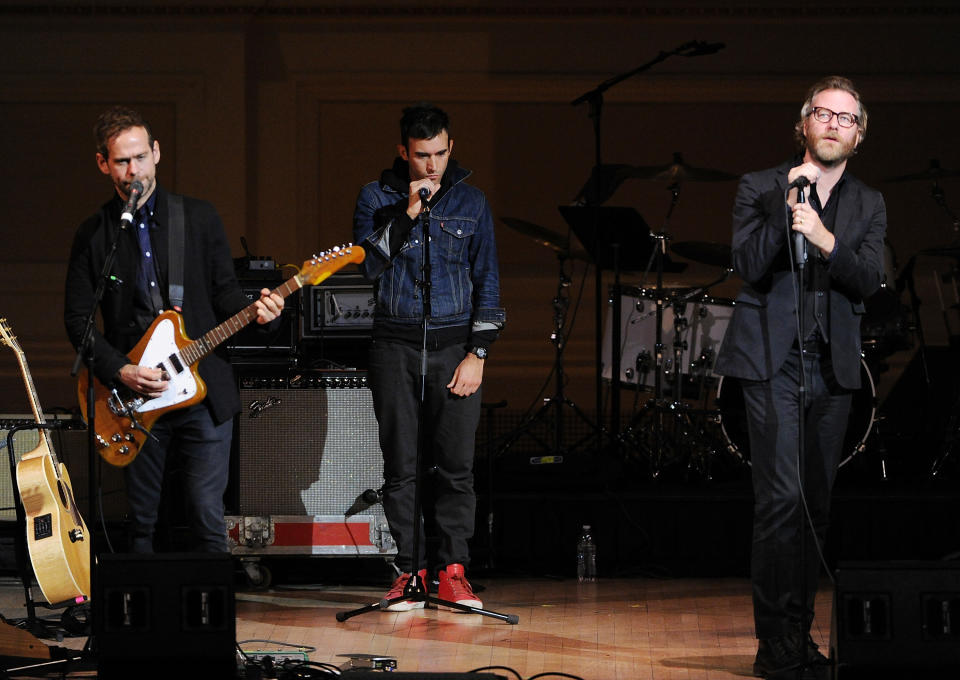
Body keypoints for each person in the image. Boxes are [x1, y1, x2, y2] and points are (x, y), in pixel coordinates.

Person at [715, 77, 886, 678]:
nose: (834, 124)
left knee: (815, 506)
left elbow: (871, 279)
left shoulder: (869, 204)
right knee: (780, 501)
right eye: (824, 113)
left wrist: (824, 239)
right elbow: (747, 263)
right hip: (772, 363)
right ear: (804, 125)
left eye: (847, 117)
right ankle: (773, 644)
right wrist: (790, 215)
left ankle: (798, 633)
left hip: (833, 368)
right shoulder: (761, 187)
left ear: (858, 134)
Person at [64, 106, 284, 553]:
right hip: (137, 399)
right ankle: (144, 619)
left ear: (157, 153)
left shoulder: (198, 219)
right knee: (142, 521)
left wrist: (262, 314)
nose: (134, 171)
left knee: (206, 514)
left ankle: (214, 619)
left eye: (141, 157)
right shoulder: (94, 235)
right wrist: (121, 370)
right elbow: (78, 320)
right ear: (103, 164)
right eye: (122, 161)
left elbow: (225, 295)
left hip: (201, 388)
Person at [353, 103, 505, 611]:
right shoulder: (377, 197)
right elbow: (369, 264)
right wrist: (411, 211)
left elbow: (488, 282)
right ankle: (410, 571)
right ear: (403, 152)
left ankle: (454, 572)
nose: (432, 166)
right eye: (422, 156)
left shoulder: (473, 201)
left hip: (453, 347)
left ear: (450, 147)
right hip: (395, 346)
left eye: (440, 153)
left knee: (456, 467)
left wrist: (478, 353)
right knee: (402, 466)